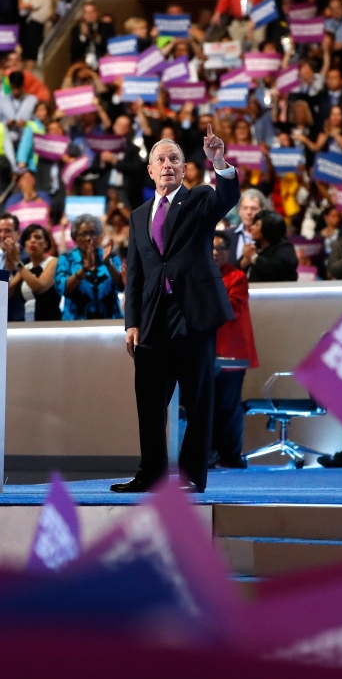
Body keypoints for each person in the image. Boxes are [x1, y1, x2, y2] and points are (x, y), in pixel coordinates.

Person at [114, 126, 240, 494]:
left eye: (175, 160)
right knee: (149, 402)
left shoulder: (200, 199)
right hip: (152, 319)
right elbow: (135, 275)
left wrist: (219, 163)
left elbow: (226, 197)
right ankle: (151, 473)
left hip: (193, 313)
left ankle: (189, 477)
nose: (167, 165)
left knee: (198, 400)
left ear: (184, 170)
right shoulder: (138, 216)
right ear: (150, 171)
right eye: (161, 160)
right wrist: (131, 322)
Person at [210, 231, 258, 469]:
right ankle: (209, 453)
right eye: (211, 248)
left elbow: (231, 308)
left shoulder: (237, 277)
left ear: (228, 252)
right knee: (206, 405)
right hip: (206, 352)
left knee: (228, 405)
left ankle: (230, 456)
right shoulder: (198, 275)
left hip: (231, 353)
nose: (215, 252)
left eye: (220, 248)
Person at [54, 214, 123, 320]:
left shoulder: (111, 257)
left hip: (110, 321)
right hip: (76, 323)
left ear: (100, 236)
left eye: (93, 233)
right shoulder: (66, 259)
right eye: (83, 234)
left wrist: (108, 263)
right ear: (74, 238)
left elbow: (121, 286)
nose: (88, 238)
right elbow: (62, 288)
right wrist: (84, 269)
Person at [12, 223, 61, 322]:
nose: (32, 241)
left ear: (46, 243)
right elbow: (8, 292)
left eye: (38, 237)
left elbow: (40, 288)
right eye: (28, 238)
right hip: (28, 322)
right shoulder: (25, 267)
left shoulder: (53, 262)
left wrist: (17, 263)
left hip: (51, 322)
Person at [239, 209, 299, 282]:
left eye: (257, 225)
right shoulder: (254, 247)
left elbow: (277, 269)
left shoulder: (285, 247)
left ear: (268, 228)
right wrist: (244, 262)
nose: (252, 228)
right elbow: (235, 269)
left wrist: (253, 258)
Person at [225, 189, 267, 267]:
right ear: (239, 210)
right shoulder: (227, 235)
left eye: (254, 209)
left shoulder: (268, 238)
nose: (249, 212)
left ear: (263, 211)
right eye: (245, 208)